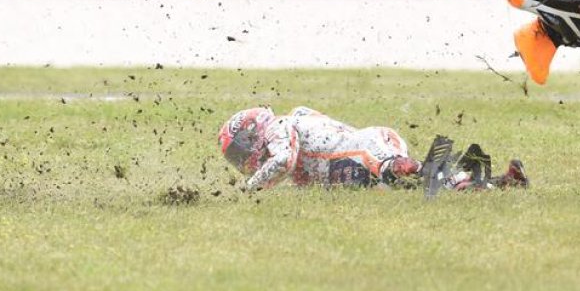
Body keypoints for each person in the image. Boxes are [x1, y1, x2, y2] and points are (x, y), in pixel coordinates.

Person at [218, 106, 529, 191]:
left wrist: (249, 189)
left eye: (239, 152)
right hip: (352, 161)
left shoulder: (279, 126)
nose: (242, 160)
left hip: (364, 149)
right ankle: (501, 181)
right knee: (416, 190)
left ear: (252, 134)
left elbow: (285, 160)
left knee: (398, 173)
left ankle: (477, 181)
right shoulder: (295, 119)